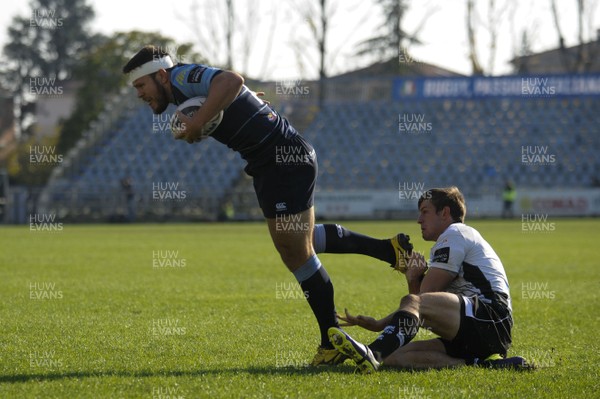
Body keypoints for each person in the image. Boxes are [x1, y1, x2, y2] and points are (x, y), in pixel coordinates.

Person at [122, 46, 413, 366]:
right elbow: (230, 89)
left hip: (282, 158)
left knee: (295, 251)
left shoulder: (180, 75)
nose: (140, 94)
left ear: (161, 75)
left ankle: (329, 339)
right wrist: (244, 101)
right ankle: (390, 251)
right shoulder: (178, 88)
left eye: (141, 86)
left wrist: (199, 121)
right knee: (299, 241)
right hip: (268, 163)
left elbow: (231, 79)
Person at [323, 187, 529, 373]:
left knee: (412, 304)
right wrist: (380, 322)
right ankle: (480, 364)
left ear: (445, 213)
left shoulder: (455, 233)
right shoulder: (456, 237)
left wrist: (412, 279)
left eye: (425, 211)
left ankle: (372, 353)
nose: (419, 220)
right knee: (394, 356)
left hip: (489, 317)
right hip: (480, 329)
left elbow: (421, 300)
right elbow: (424, 307)